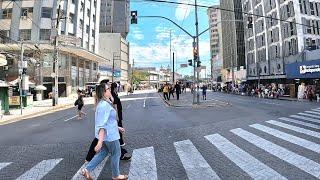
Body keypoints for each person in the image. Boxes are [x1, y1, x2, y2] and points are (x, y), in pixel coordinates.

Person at [81, 84, 128, 180]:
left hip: (108, 135)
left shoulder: (102, 103)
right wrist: (99, 142)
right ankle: (116, 175)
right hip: (110, 136)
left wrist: (118, 127)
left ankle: (87, 170)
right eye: (108, 89)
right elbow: (102, 126)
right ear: (103, 92)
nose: (110, 90)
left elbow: (108, 121)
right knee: (116, 154)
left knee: (103, 153)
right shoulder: (104, 106)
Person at [111, 82, 131, 160]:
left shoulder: (114, 94)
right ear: (115, 87)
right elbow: (115, 107)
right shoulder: (113, 95)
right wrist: (117, 118)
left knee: (117, 133)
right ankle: (121, 149)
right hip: (117, 116)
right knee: (118, 132)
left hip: (118, 115)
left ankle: (120, 148)